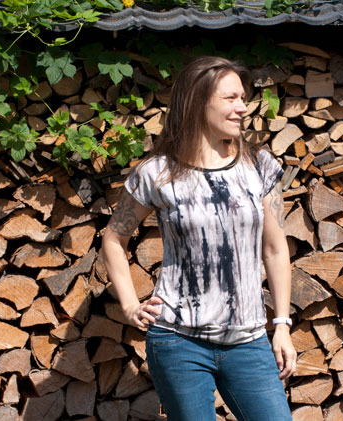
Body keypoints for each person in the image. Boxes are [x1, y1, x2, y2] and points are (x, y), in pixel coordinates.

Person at [102, 56, 295, 421]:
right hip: (178, 341)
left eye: (243, 97)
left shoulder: (260, 167)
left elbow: (274, 248)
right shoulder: (156, 173)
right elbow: (113, 239)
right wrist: (130, 306)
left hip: (249, 341)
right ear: (197, 101)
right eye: (231, 98)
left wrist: (282, 324)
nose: (242, 107)